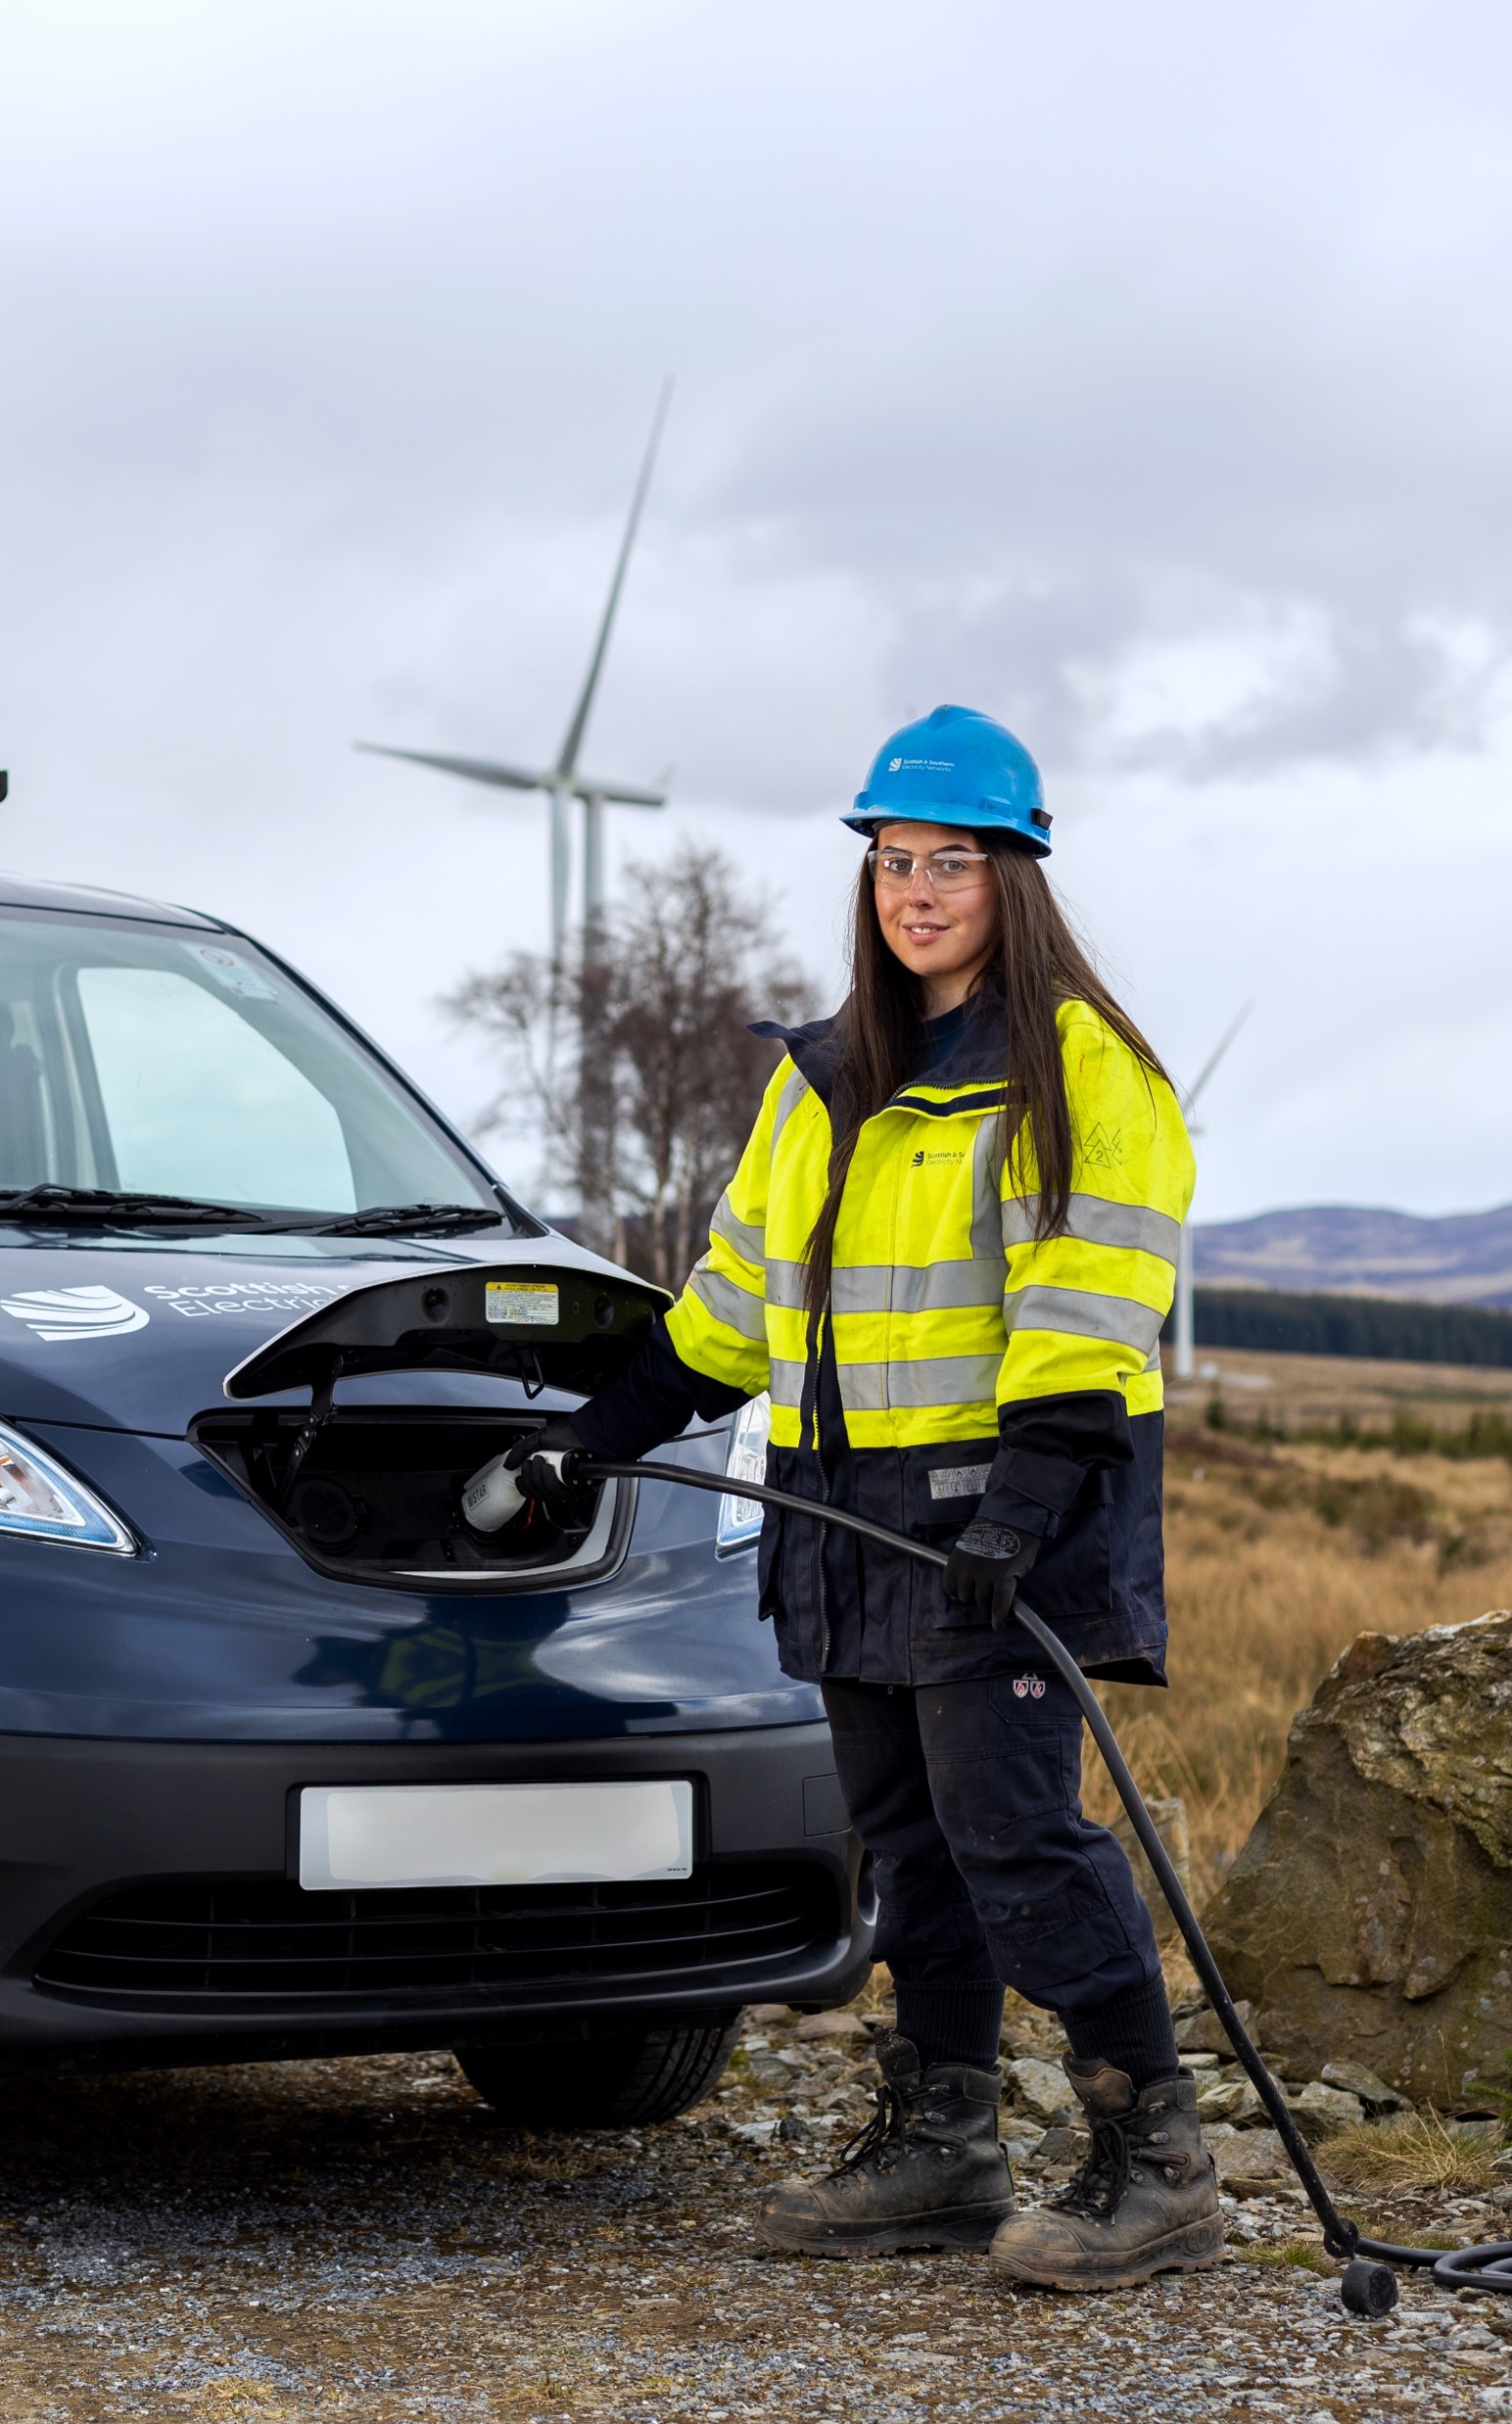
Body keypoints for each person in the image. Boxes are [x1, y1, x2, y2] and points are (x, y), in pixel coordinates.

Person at [500, 704, 1208, 2293]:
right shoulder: (824, 1079)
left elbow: (1088, 1313)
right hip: (844, 1522)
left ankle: (1155, 2152)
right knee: (907, 1843)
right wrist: (605, 1431)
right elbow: (733, 1305)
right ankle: (946, 2141)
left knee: (1016, 1832)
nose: (918, 888)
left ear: (1015, 875)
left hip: (998, 1521)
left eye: (952, 860)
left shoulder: (1082, 1071)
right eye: (894, 860)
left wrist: (1017, 1514)